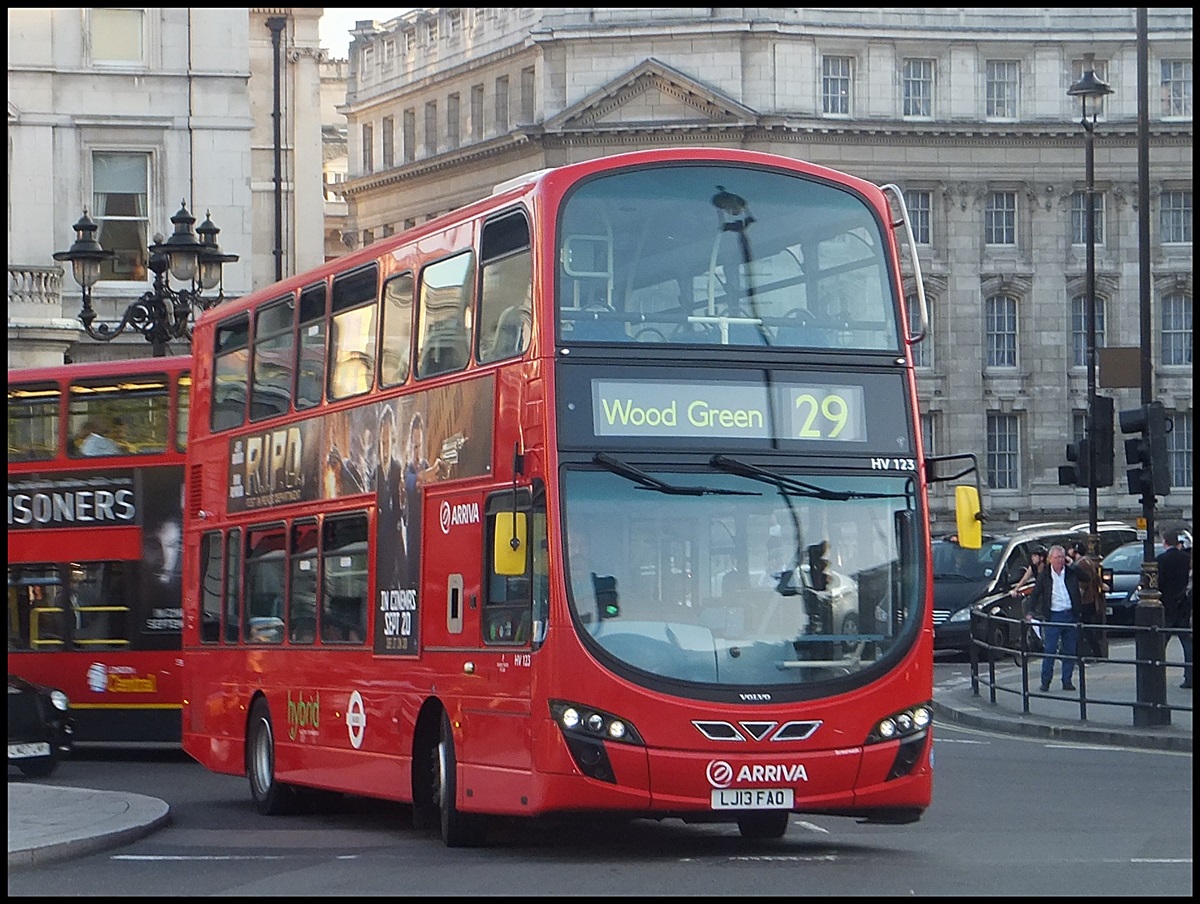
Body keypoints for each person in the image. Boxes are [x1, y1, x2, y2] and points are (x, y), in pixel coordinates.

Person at [1026, 544, 1085, 693]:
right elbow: (1036, 593)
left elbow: (1087, 577)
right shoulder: (1045, 575)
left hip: (1070, 614)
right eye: (1056, 557)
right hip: (1054, 615)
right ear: (1050, 559)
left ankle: (1067, 680)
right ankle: (1045, 681)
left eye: (1061, 557)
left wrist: (1073, 566)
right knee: (1050, 650)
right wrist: (1030, 611)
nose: (1059, 560)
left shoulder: (1071, 572)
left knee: (1069, 650)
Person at [402, 412, 447, 588]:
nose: (417, 452)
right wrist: (434, 469)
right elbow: (416, 481)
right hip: (413, 540)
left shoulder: (426, 466)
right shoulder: (406, 470)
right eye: (414, 447)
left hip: (430, 539)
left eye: (419, 446)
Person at [374, 405, 407, 593]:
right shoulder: (375, 473)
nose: (384, 449)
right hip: (380, 544)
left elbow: (401, 511)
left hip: (394, 543)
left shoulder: (397, 469)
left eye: (387, 443)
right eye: (381, 443)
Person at [1156, 527, 1193, 689]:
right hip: (1182, 604)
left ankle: (1156, 675)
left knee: (1159, 643)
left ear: (1165, 541)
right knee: (1187, 643)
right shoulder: (1186, 558)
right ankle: (1189, 677)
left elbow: (1159, 583)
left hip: (1166, 605)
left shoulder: (1161, 560)